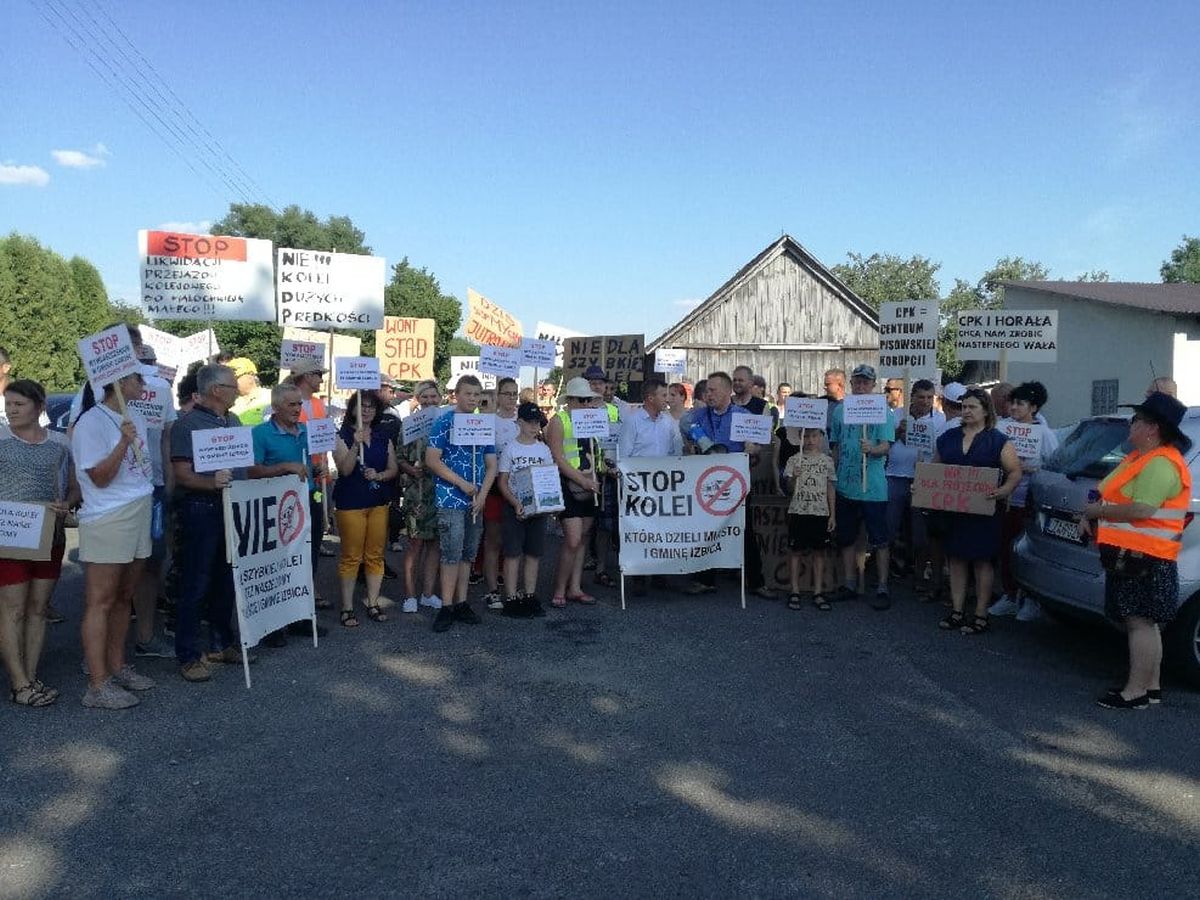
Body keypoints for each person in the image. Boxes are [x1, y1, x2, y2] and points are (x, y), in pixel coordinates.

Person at [1079, 392, 1192, 709]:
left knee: (1139, 623)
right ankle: (1150, 687)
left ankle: (1135, 691)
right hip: (1133, 556)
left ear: (1153, 428)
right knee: (1145, 623)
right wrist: (1090, 514)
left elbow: (1141, 508)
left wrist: (1094, 514)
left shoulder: (1161, 463)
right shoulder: (1140, 458)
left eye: (1138, 419)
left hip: (1145, 558)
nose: (1132, 424)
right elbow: (1107, 494)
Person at [72, 370, 157, 708]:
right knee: (101, 600)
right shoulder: (91, 422)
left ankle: (117, 666)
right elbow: (100, 477)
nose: (144, 385)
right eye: (138, 379)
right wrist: (123, 442)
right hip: (108, 516)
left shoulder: (134, 413)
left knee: (125, 597)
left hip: (139, 508)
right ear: (120, 382)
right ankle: (97, 685)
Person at [0, 380, 79, 707]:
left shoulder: (60, 443)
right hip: (9, 535)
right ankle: (19, 684)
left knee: (37, 608)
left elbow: (74, 487)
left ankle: (31, 676)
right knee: (12, 609)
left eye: (18, 404)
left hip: (49, 535)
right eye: (8, 404)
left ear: (39, 406)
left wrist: (67, 503)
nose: (11, 410)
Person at [170, 364, 246, 683]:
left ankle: (220, 642)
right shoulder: (187, 425)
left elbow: (245, 464)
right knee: (196, 582)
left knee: (225, 579)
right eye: (232, 385)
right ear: (217, 390)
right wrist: (211, 483)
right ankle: (188, 654)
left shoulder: (234, 421)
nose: (238, 389)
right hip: (201, 509)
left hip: (231, 508)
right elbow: (183, 474)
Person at [933, 388, 1021, 635]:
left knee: (983, 561)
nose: (967, 411)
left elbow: (1014, 471)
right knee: (957, 558)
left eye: (972, 407)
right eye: (964, 407)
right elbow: (936, 468)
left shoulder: (997, 440)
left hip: (985, 509)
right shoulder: (948, 437)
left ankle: (981, 613)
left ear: (985, 410)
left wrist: (1004, 491)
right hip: (955, 509)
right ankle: (957, 610)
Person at [683, 371, 769, 598]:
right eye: (706, 391)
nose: (708, 394)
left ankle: (756, 581)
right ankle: (704, 579)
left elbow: (758, 445)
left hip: (735, 484)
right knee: (705, 530)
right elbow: (684, 429)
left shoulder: (743, 415)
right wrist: (690, 443)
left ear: (726, 391)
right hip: (706, 483)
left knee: (744, 530)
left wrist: (753, 448)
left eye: (712, 390)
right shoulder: (699, 415)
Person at [424, 375, 496, 632]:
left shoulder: (484, 425)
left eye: (477, 395)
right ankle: (446, 605)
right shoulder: (444, 422)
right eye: (468, 394)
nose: (473, 399)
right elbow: (432, 459)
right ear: (456, 395)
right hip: (450, 497)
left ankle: (462, 601)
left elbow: (492, 464)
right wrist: (461, 484)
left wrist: (483, 494)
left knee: (468, 552)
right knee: (451, 552)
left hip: (476, 500)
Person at [249, 383, 317, 647]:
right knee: (277, 564)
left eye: (299, 404)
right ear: (276, 407)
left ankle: (299, 617)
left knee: (305, 560)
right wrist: (284, 468)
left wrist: (316, 472)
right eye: (292, 404)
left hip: (305, 501)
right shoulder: (260, 433)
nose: (297, 409)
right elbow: (252, 471)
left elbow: (308, 464)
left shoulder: (305, 431)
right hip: (275, 507)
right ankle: (273, 624)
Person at [991, 382, 1059, 622]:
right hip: (1004, 498)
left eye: (1020, 403)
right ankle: (1010, 596)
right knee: (1006, 549)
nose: (1014, 407)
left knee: (1029, 551)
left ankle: (1031, 599)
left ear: (1033, 408)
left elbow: (1053, 465)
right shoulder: (1002, 428)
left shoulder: (1045, 434)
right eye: (1012, 402)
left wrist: (1027, 468)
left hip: (1029, 501)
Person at [829, 364, 896, 609]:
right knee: (846, 538)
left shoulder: (884, 412)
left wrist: (873, 449)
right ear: (851, 384)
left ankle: (882, 587)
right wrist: (832, 475)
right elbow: (835, 445)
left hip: (874, 488)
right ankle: (848, 583)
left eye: (865, 382)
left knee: (879, 539)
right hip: (846, 486)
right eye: (856, 382)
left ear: (872, 385)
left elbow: (886, 446)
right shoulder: (839, 411)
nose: (860, 386)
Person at [331, 390, 399, 626]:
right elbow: (345, 470)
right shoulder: (342, 436)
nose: (367, 410)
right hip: (351, 503)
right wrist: (355, 445)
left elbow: (393, 469)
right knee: (351, 556)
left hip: (378, 502)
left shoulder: (383, 437)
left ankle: (373, 601)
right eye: (362, 406)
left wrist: (379, 475)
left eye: (371, 406)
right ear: (352, 410)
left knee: (375, 554)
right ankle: (348, 607)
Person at [129, 355, 177, 660]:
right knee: (115, 571)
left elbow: (166, 436)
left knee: (151, 560)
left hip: (154, 488)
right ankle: (100, 654)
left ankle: (145, 636)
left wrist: (168, 478)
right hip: (115, 499)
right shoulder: (91, 391)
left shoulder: (158, 387)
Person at [617, 377, 684, 595]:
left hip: (662, 486)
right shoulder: (633, 421)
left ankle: (658, 572)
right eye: (663, 395)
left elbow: (676, 451)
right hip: (638, 486)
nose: (667, 399)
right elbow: (624, 454)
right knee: (638, 529)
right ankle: (637, 575)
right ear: (650, 398)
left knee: (660, 528)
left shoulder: (668, 422)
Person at [547, 377, 602, 607]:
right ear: (570, 400)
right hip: (567, 484)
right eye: (583, 399)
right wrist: (581, 479)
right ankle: (559, 589)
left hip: (590, 483)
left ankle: (575, 587)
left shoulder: (592, 420)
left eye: (589, 399)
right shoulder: (559, 421)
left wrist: (600, 471)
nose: (587, 404)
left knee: (583, 538)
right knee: (572, 538)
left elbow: (597, 450)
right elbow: (558, 457)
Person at [496, 402, 554, 617]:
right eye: (529, 422)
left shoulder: (543, 449)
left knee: (533, 553)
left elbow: (548, 477)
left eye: (537, 422)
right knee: (512, 553)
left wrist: (549, 503)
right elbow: (503, 480)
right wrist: (514, 502)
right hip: (515, 508)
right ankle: (510, 597)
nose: (533, 427)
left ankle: (530, 594)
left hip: (537, 509)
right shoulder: (511, 448)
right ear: (518, 422)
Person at [284, 360, 332, 611]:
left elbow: (322, 439)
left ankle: (309, 589)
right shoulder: (287, 404)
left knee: (313, 537)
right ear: (305, 377)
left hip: (317, 478)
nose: (321, 379)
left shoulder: (318, 404)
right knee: (293, 539)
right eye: (317, 375)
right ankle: (294, 592)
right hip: (293, 480)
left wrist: (324, 464)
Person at [894, 380, 947, 601]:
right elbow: (886, 438)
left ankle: (918, 573)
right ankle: (894, 567)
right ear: (912, 396)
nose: (925, 402)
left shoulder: (940, 419)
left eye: (929, 397)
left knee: (920, 533)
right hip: (895, 474)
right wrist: (899, 431)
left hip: (923, 478)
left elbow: (940, 448)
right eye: (921, 397)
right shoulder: (897, 414)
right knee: (892, 526)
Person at [397, 380, 443, 614]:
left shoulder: (447, 424)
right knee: (415, 544)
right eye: (424, 397)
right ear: (417, 399)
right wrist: (409, 468)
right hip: (417, 493)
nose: (429, 401)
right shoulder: (408, 425)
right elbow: (399, 457)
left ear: (440, 398)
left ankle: (427, 593)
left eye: (433, 397)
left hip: (441, 491)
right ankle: (410, 595)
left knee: (435, 544)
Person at [782, 428, 836, 612]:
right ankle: (795, 590)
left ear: (821, 438)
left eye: (815, 436)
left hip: (820, 512)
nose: (811, 440)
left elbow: (830, 488)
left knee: (819, 553)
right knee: (795, 551)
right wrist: (793, 478)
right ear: (800, 437)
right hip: (798, 510)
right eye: (807, 436)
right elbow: (788, 488)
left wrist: (832, 514)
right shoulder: (793, 460)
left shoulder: (827, 461)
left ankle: (818, 591)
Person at [480, 377, 520, 610]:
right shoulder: (489, 422)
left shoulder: (523, 420)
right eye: (507, 394)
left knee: (513, 540)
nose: (511, 398)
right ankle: (492, 589)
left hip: (518, 487)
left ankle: (512, 588)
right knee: (493, 539)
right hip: (495, 485)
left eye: (515, 394)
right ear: (498, 395)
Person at [227, 357, 272, 426]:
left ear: (251, 375)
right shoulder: (229, 403)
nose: (232, 382)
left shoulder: (270, 397)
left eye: (236, 377)